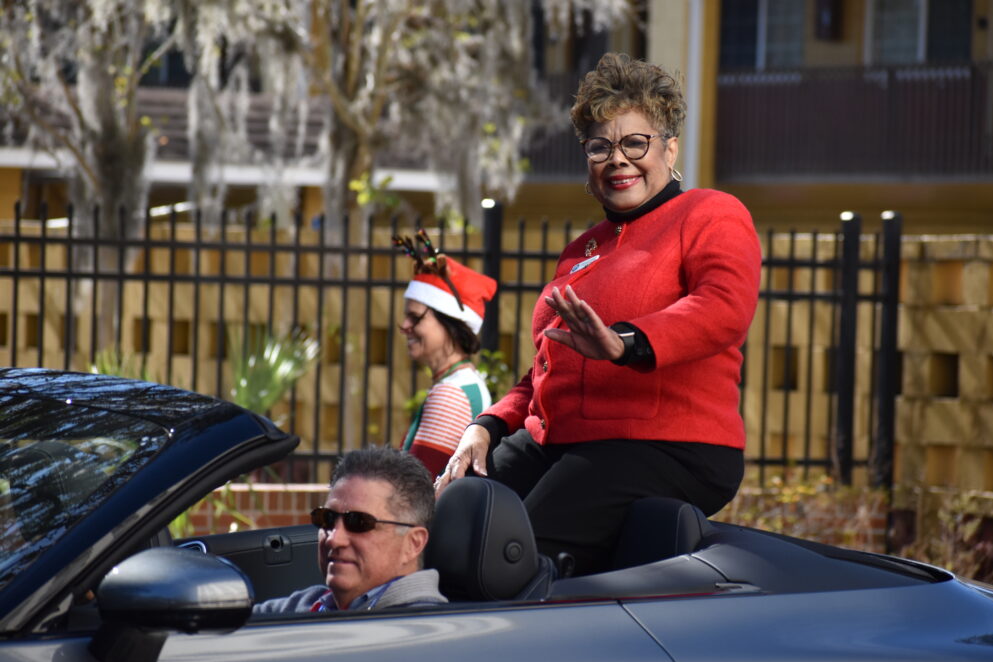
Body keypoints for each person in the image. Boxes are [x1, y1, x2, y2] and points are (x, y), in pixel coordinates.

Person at [435, 53, 762, 576]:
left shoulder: (709, 213)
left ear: (670, 148)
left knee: (512, 550)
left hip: (664, 445)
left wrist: (626, 343)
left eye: (635, 143)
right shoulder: (582, 249)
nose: (618, 160)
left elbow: (722, 307)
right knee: (449, 520)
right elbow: (547, 367)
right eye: (600, 147)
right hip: (559, 440)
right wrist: (486, 426)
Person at [253, 445, 447, 613]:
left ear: (413, 543)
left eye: (358, 523)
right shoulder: (302, 605)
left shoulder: (422, 632)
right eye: (327, 518)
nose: (334, 539)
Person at [394, 231, 497, 477]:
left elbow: (413, 486)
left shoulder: (451, 394)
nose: (405, 326)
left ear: (450, 323)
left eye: (415, 317)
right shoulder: (462, 383)